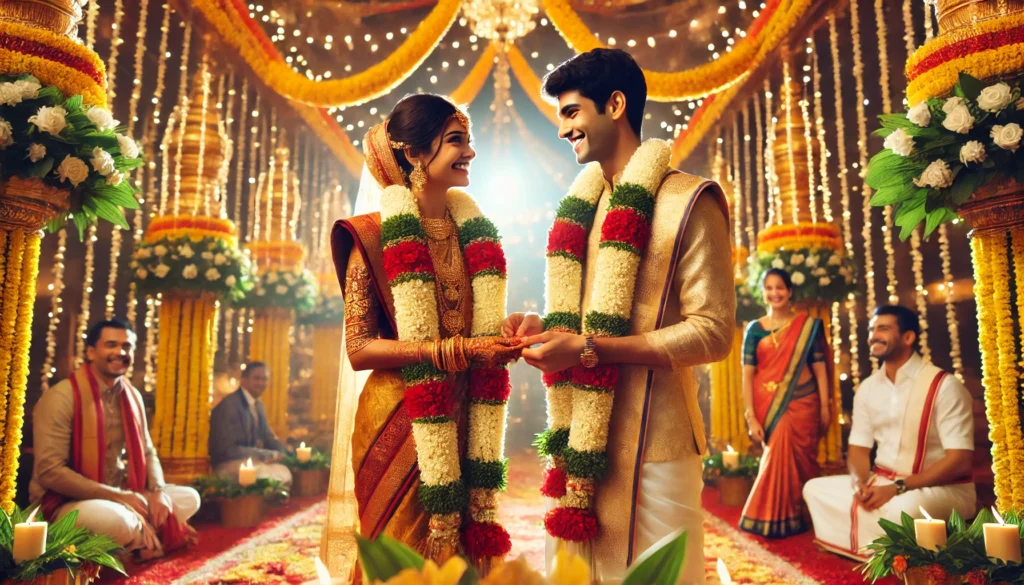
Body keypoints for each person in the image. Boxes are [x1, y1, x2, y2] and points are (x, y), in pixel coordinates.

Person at [506, 48, 735, 584]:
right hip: (577, 437)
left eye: (571, 113)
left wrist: (589, 349)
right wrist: (547, 329)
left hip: (658, 439)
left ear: (614, 104)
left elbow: (713, 332)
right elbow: (589, 319)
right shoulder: (579, 209)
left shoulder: (687, 200)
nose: (563, 130)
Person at [321, 93, 521, 576]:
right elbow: (359, 348)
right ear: (412, 153)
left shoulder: (474, 232)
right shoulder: (370, 234)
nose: (469, 152)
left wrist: (504, 333)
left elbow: (471, 321)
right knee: (401, 565)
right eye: (456, 141)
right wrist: (455, 350)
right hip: (397, 420)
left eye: (468, 141)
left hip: (465, 412)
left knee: (463, 558)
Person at [803, 305, 976, 560]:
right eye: (872, 329)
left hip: (940, 488)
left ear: (908, 338)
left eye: (883, 329)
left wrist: (898, 487)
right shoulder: (868, 387)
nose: (873, 335)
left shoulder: (944, 386)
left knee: (902, 510)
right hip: (882, 483)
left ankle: (879, 551)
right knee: (814, 488)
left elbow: (960, 461)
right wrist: (859, 483)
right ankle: (884, 549)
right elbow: (859, 450)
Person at [30, 319, 200, 560]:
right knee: (117, 520)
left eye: (127, 346)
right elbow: (50, 472)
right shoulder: (62, 397)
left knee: (189, 498)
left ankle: (131, 542)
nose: (120, 352)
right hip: (65, 501)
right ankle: (139, 539)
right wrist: (118, 497)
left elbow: (148, 451)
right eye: (111, 344)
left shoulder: (132, 396)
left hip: (122, 492)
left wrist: (158, 491)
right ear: (90, 352)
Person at [738, 268, 832, 538]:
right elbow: (748, 374)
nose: (775, 293)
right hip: (770, 407)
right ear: (763, 292)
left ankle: (802, 516)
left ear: (790, 291)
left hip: (806, 403)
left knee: (805, 461)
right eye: (769, 287)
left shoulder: (807, 326)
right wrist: (751, 416)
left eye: (780, 287)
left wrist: (825, 406)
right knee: (775, 456)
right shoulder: (754, 330)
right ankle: (767, 518)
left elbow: (819, 366)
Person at [209, 362, 292, 487]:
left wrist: (286, 454)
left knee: (283, 471)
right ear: (243, 380)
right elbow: (226, 450)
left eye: (264, 379)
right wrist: (266, 454)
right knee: (266, 476)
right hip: (228, 464)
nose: (261, 383)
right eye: (256, 378)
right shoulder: (230, 406)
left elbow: (268, 437)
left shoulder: (258, 405)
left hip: (250, 461)